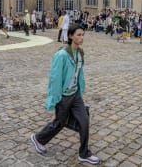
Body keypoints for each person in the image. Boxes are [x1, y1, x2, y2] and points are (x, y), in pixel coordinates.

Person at [30, 24, 100, 165]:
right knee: (59, 123)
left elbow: (79, 73)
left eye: (82, 35)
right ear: (70, 36)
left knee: (84, 121)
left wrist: (80, 89)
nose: (81, 38)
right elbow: (55, 78)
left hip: (75, 95)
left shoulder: (80, 53)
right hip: (63, 96)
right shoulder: (61, 55)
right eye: (78, 35)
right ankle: (39, 138)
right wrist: (55, 98)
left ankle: (84, 153)